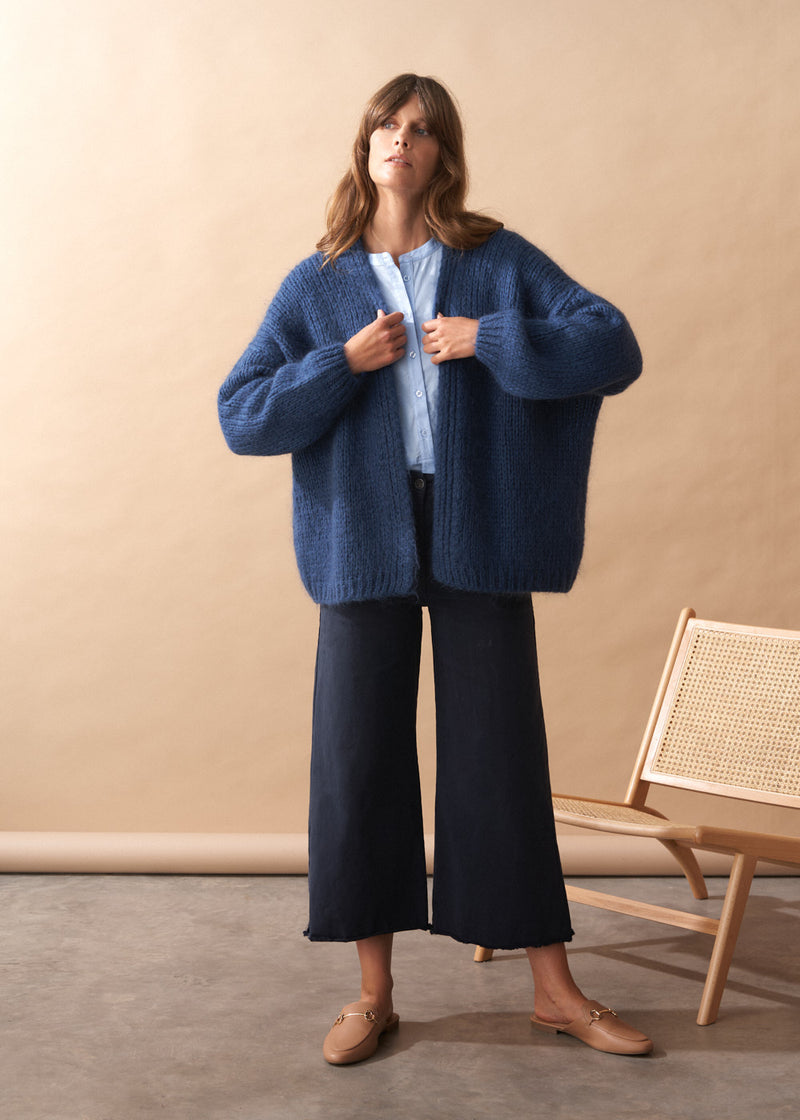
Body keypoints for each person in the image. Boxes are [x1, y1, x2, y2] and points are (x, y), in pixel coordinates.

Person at [218, 74, 652, 1062]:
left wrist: (489, 339)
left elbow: (609, 345)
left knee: (499, 756)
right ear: (364, 142)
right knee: (357, 759)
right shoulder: (317, 282)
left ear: (439, 152)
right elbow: (241, 413)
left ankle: (553, 989)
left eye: (419, 130)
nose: (399, 141)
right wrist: (341, 364)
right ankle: (371, 994)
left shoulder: (490, 260)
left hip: (475, 531)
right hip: (359, 542)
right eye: (386, 123)